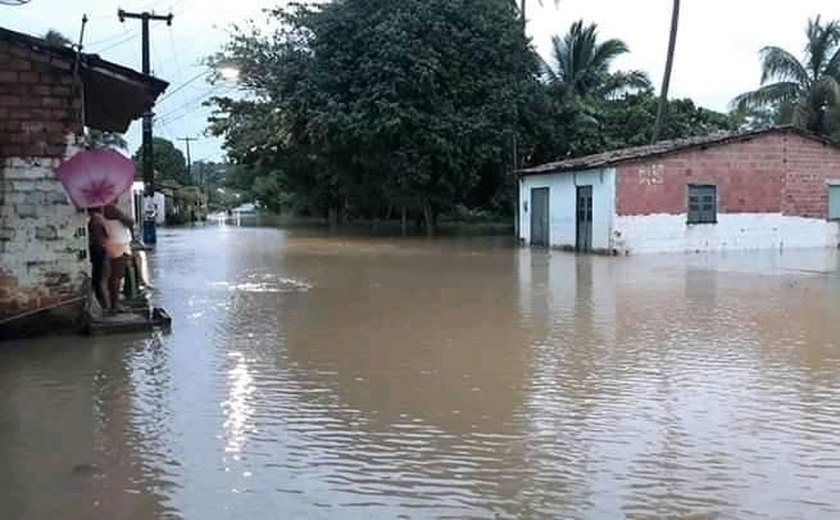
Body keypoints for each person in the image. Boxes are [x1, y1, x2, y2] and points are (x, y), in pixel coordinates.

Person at [103, 203, 135, 311]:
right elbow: (129, 221)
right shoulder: (110, 208)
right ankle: (114, 305)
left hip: (115, 243)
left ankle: (114, 303)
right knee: (117, 276)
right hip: (118, 244)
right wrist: (125, 215)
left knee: (116, 275)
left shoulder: (103, 210)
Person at [87, 207, 110, 310]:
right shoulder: (101, 219)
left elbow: (96, 238)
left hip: (98, 250)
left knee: (99, 281)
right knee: (102, 280)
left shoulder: (95, 220)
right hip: (103, 249)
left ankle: (105, 306)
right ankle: (106, 306)